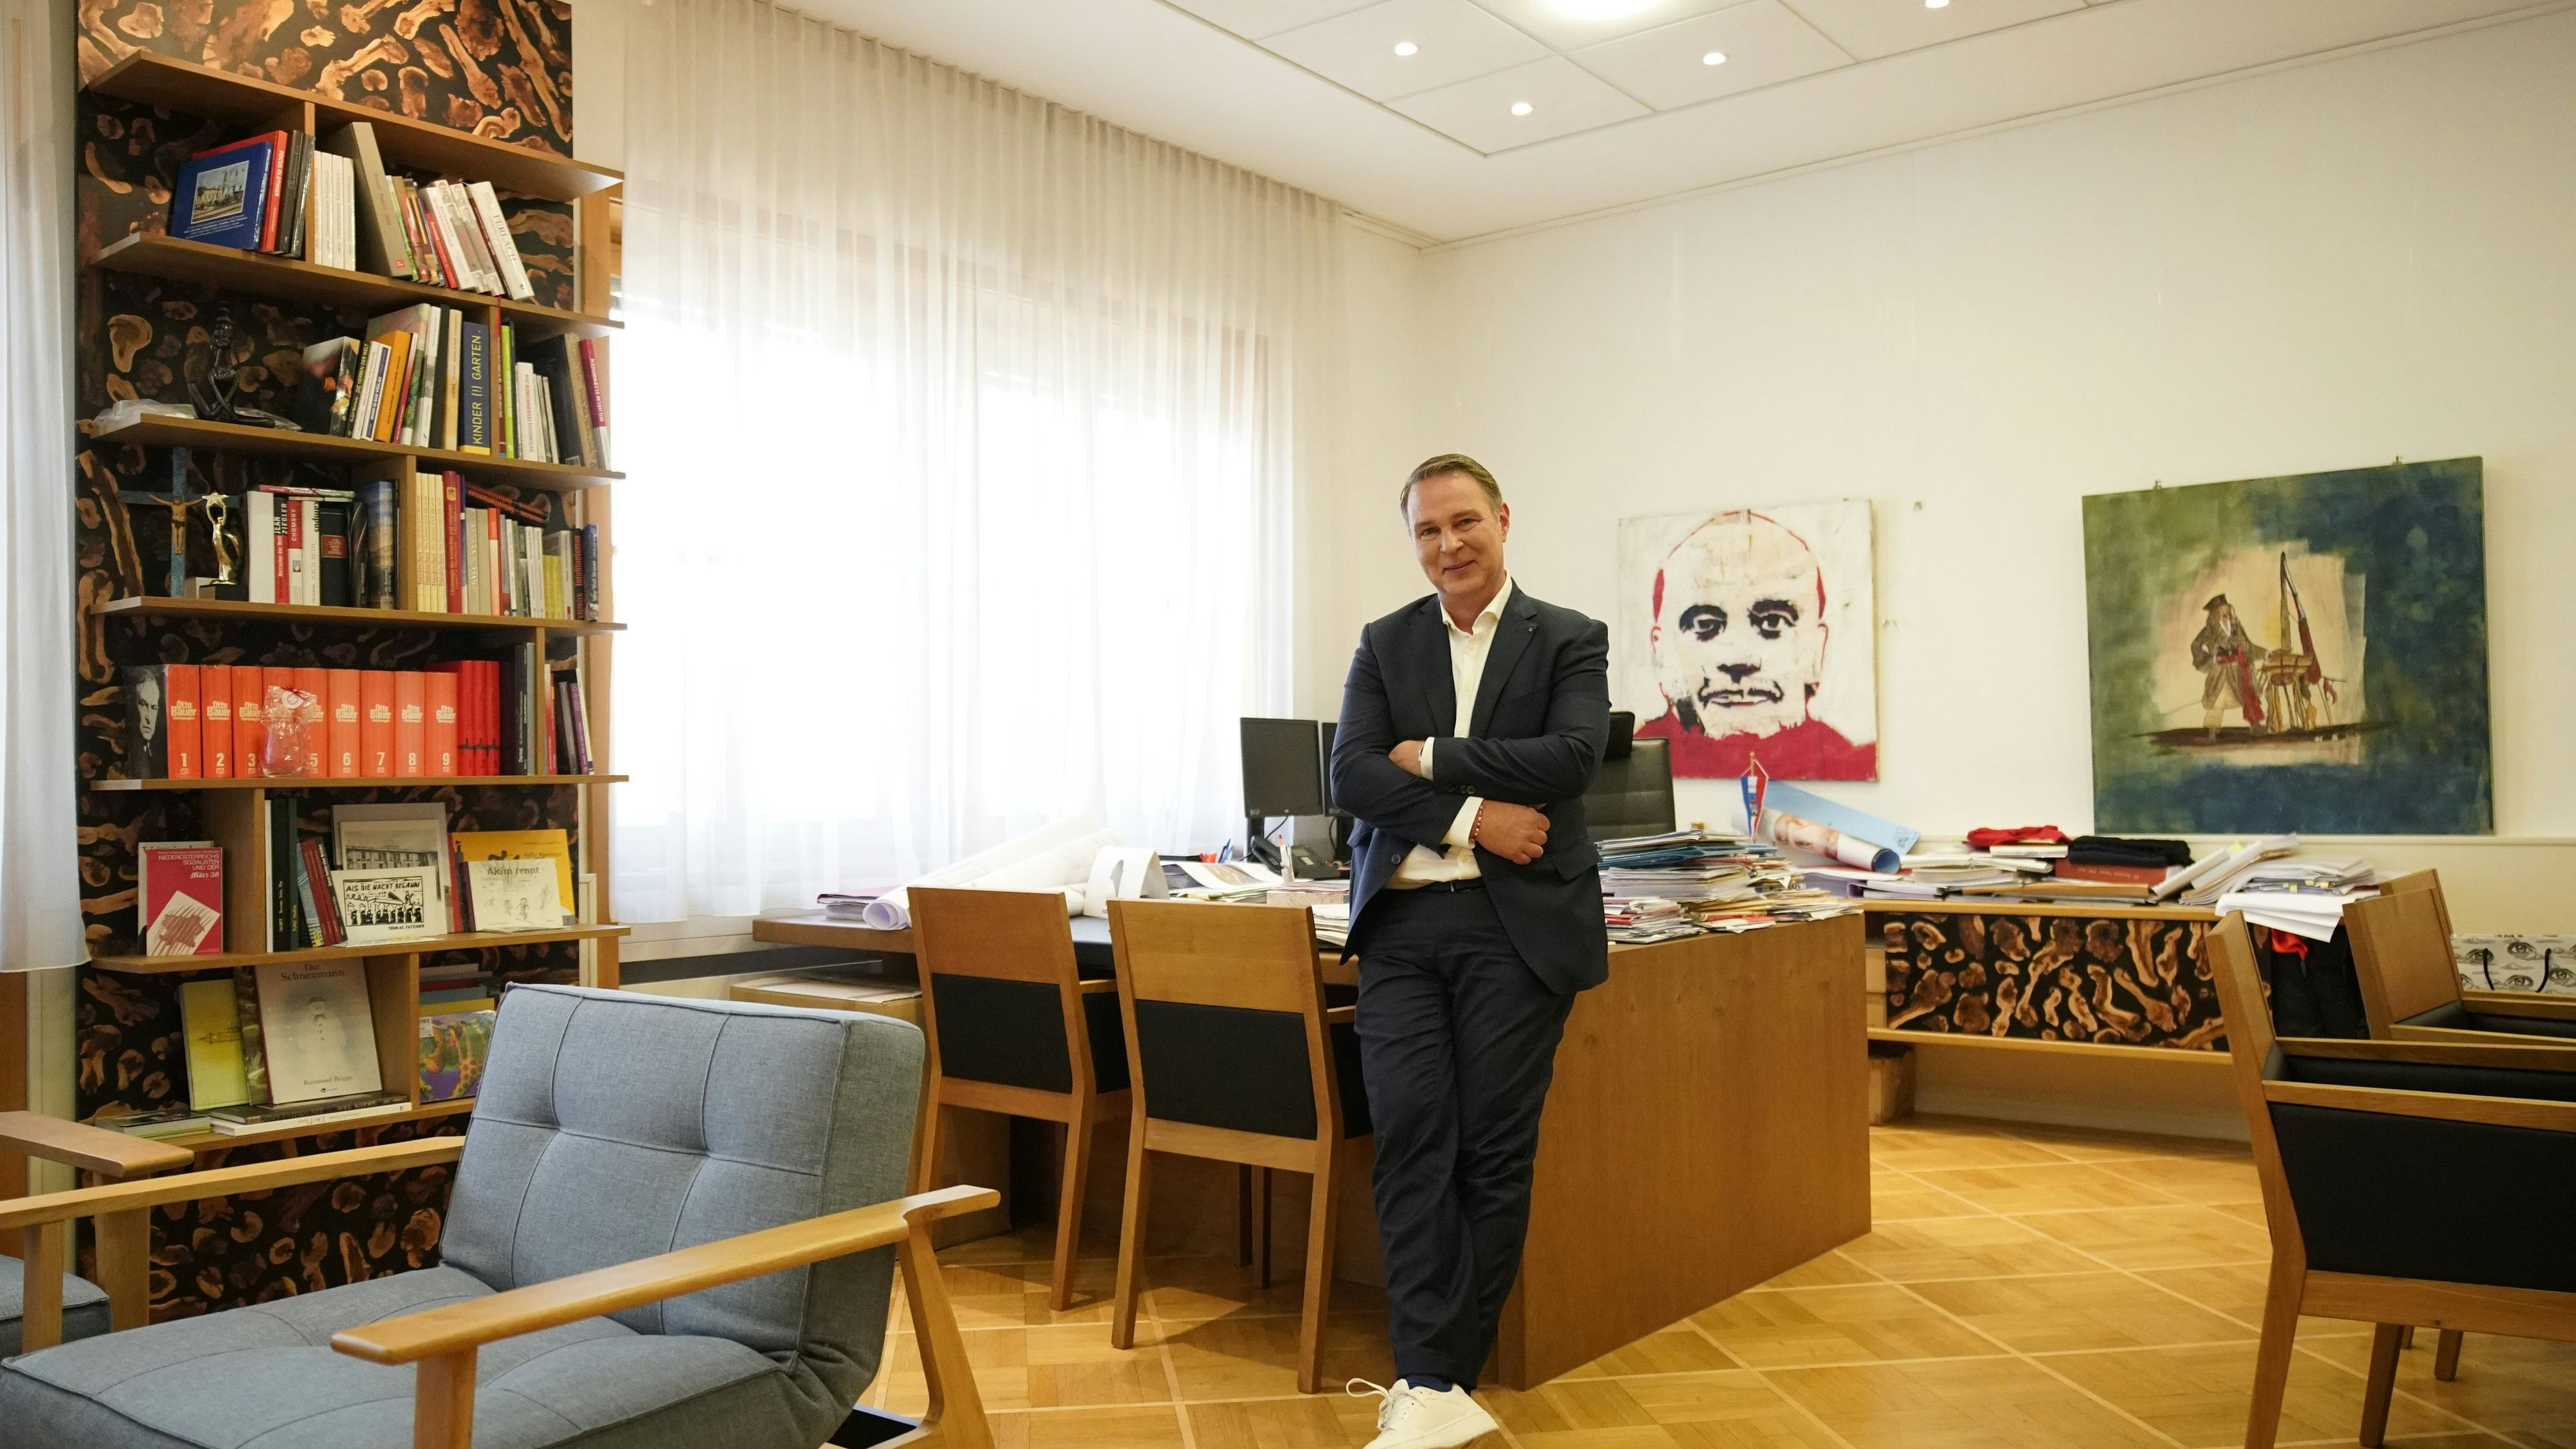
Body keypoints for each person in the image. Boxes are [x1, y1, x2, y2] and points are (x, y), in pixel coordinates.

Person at [1328, 454, 1611, 1449]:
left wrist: (1437, 757)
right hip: (1404, 926)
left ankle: (1439, 1379)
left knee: (1492, 1149)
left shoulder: (1569, 635)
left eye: (1462, 523)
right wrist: (1473, 817)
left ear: (1500, 518)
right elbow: (1352, 771)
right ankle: (1431, 1379)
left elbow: (1575, 756)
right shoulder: (1384, 640)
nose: (1447, 545)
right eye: (1426, 531)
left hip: (1516, 930)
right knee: (1410, 1133)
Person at [1634, 509, 1875, 779]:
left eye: (1773, 623)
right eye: (1705, 626)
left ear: (1817, 651)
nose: (1739, 659)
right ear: (1662, 653)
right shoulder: (1625, 773)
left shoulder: (1853, 765)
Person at [2191, 592, 2267, 740]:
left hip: (2238, 669)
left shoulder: (2236, 628)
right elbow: (2195, 645)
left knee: (2248, 695)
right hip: (2220, 670)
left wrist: (2265, 654)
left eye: (2226, 608)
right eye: (2221, 609)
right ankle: (2212, 731)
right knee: (2216, 699)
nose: (2225, 611)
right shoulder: (2210, 630)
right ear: (2215, 613)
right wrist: (2210, 658)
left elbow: (2247, 646)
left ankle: (2255, 724)